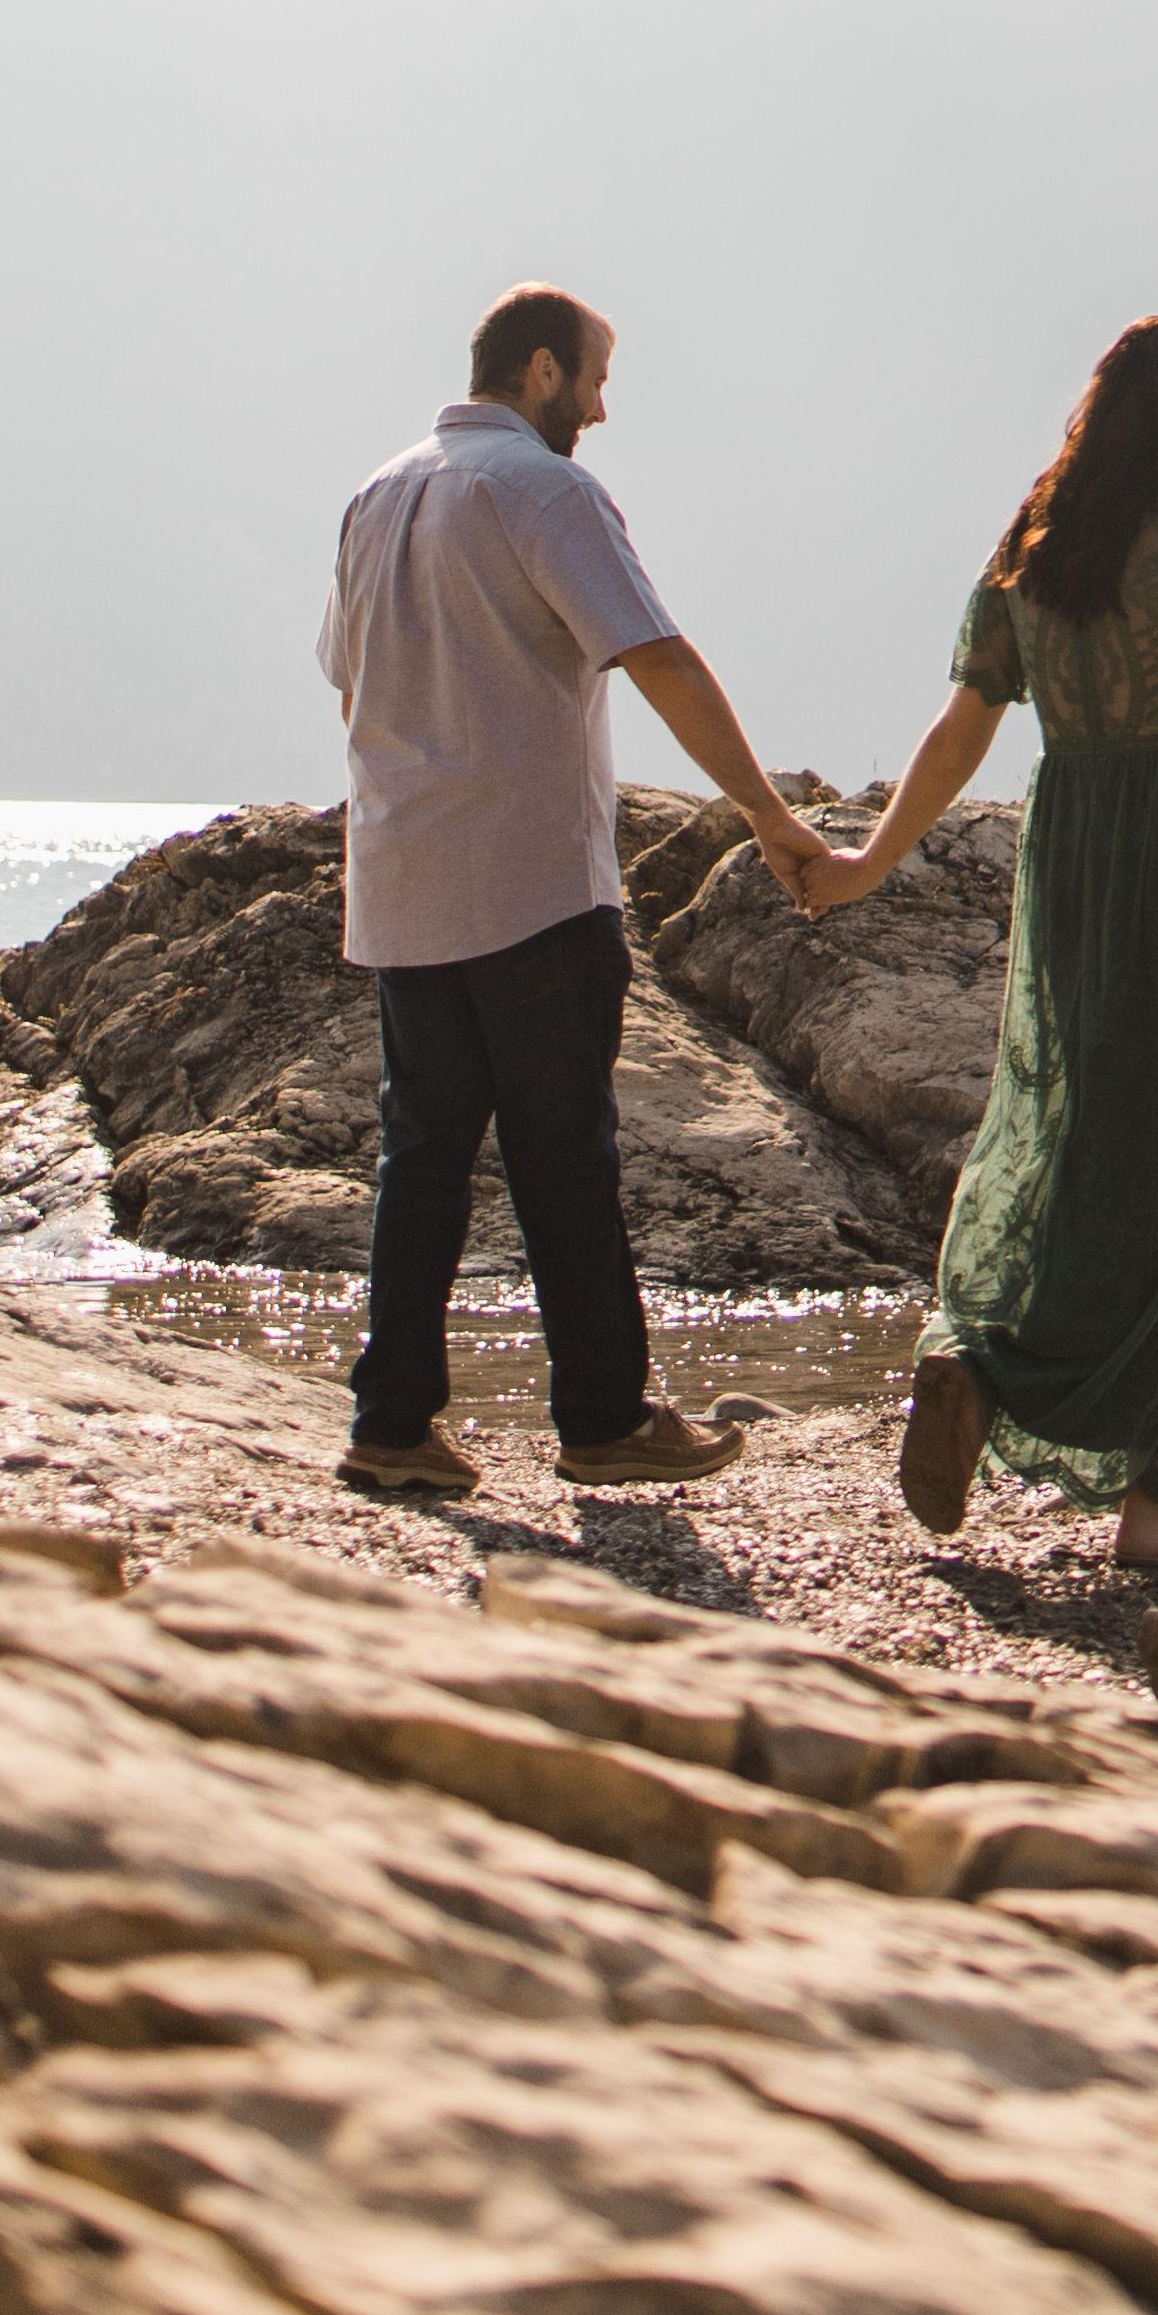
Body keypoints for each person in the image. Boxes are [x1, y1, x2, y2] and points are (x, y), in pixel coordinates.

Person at [797, 315, 1158, 1579]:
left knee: (1085, 1142)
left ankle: (993, 1366)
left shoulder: (1037, 554)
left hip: (1071, 862)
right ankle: (1144, 1491)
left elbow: (963, 729)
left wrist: (868, 863)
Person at [323, 281, 824, 1500]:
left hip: (403, 879)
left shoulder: (379, 493)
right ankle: (602, 1419)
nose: (601, 408)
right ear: (542, 371)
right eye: (595, 380)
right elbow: (655, 654)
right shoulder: (544, 489)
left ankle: (392, 1425)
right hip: (532, 879)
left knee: (422, 1157)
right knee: (566, 1156)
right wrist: (767, 814)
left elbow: (347, 678)